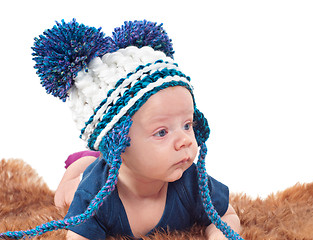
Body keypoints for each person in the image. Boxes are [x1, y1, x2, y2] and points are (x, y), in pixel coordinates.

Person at [0, 19, 243, 240]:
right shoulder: (95, 195)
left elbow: (226, 215)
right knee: (65, 195)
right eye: (162, 132)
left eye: (187, 125)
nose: (185, 141)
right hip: (98, 170)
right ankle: (79, 165)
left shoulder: (191, 181)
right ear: (117, 142)